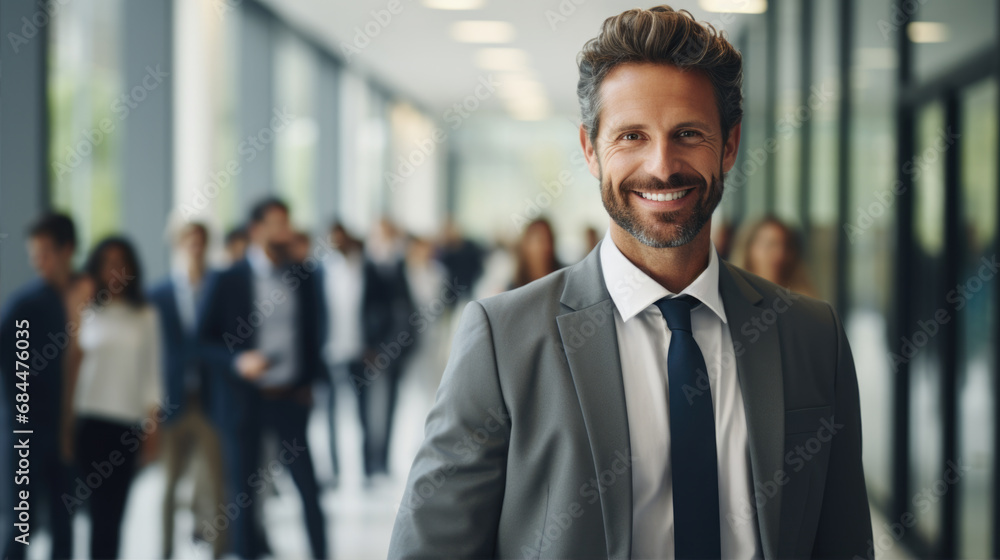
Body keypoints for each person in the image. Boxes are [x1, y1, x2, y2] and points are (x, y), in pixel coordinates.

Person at [389, 6, 871, 559]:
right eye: (632, 136)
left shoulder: (811, 335)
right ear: (591, 149)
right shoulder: (504, 339)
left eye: (688, 133)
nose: (662, 166)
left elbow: (844, 541)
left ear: (730, 146)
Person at [198, 198, 328, 559]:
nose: (285, 231)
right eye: (276, 224)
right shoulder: (228, 279)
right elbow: (202, 340)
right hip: (245, 400)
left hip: (289, 398)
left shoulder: (301, 276)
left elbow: (316, 331)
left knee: (308, 487)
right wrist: (237, 361)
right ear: (256, 230)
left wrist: (309, 383)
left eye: (287, 223)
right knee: (243, 496)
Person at [69, 236, 163, 559]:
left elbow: (151, 375)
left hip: (125, 426)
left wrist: (152, 427)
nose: (114, 270)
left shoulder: (145, 315)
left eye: (121, 262)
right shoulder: (86, 311)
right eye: (108, 263)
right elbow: (70, 365)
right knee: (92, 513)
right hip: (88, 422)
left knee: (115, 514)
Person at [0, 214, 78, 560]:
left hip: (68, 433)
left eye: (46, 251)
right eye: (34, 253)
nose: (38, 261)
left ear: (68, 251)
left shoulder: (82, 298)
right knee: (21, 525)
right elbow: (13, 375)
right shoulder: (24, 306)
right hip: (26, 435)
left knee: (65, 525)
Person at [148, 222, 226, 558]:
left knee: (217, 485)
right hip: (173, 401)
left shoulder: (220, 286)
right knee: (168, 486)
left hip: (210, 400)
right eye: (188, 241)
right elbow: (153, 351)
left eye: (200, 241)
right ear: (178, 244)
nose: (194, 246)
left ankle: (220, 551)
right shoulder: (160, 292)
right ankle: (164, 551)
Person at [731, 215, 816, 297]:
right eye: (770, 245)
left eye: (787, 246)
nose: (779, 254)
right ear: (748, 249)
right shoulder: (732, 296)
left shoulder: (803, 301)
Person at [509, 218, 562, 289]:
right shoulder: (514, 287)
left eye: (549, 240)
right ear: (526, 246)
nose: (546, 247)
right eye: (540, 241)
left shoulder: (563, 278)